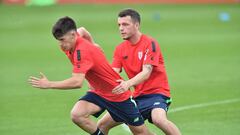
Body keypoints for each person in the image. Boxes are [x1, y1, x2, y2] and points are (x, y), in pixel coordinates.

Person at [28, 16, 154, 135]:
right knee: (77, 115)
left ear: (73, 35)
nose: (61, 44)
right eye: (58, 41)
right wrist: (94, 44)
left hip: (117, 94)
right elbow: (82, 30)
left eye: (62, 40)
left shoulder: (82, 51)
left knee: (141, 133)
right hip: (98, 92)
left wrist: (49, 84)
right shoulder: (72, 40)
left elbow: (77, 82)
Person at [91, 9, 182, 135]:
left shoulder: (150, 43)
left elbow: (147, 72)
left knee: (159, 119)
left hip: (157, 94)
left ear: (136, 25)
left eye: (125, 24)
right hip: (136, 97)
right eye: (119, 25)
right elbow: (112, 73)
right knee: (102, 124)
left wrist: (127, 84)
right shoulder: (120, 49)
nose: (121, 28)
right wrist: (96, 65)